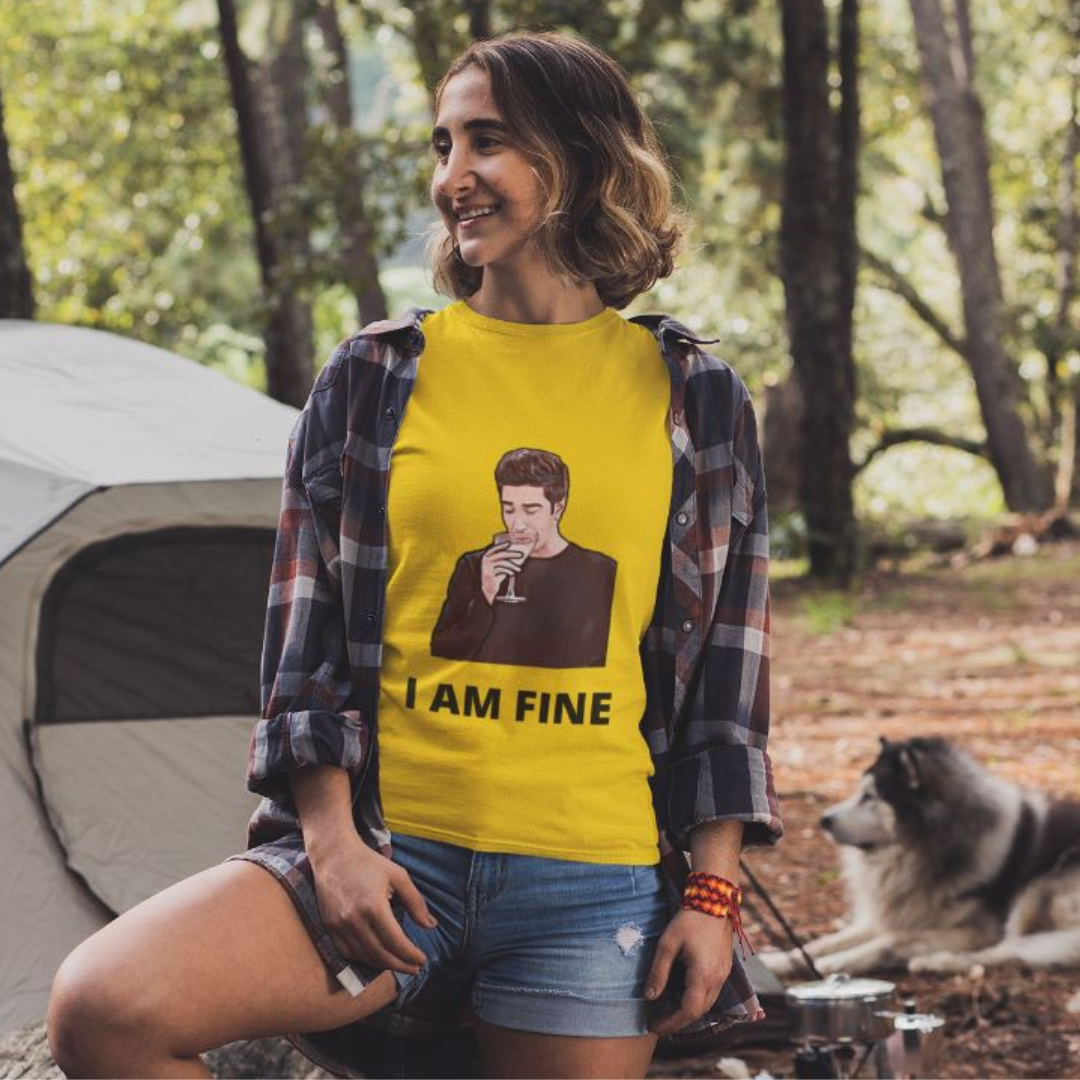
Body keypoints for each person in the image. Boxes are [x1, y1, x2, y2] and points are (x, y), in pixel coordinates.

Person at [46, 27, 782, 1080]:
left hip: (593, 883)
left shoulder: (695, 397)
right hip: (390, 852)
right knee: (103, 1009)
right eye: (442, 145)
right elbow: (305, 658)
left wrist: (712, 895)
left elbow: (728, 679)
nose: (453, 177)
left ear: (577, 157)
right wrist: (334, 847)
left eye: (486, 142)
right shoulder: (374, 377)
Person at [431, 447, 617, 667]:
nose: (517, 525)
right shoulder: (474, 566)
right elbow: (441, 652)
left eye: (530, 510)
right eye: (509, 509)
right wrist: (485, 594)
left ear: (558, 509)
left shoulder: (599, 571)